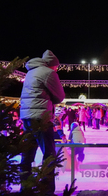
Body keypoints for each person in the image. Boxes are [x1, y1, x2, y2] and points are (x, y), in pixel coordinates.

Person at [20, 50, 65, 196]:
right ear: (52, 65)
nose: (56, 69)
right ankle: (46, 190)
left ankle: (25, 187)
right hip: (42, 118)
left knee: (27, 154)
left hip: (27, 118)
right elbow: (59, 96)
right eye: (56, 67)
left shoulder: (30, 72)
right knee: (49, 155)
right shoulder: (49, 73)